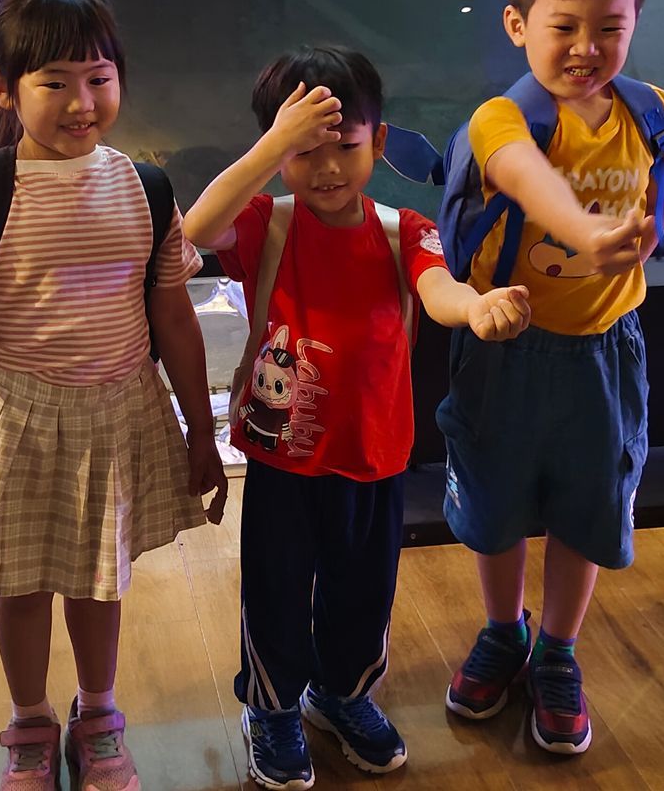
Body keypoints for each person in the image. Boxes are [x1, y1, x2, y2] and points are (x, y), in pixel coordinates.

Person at [0, 0, 227, 791]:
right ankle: (31, 722)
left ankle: (98, 715)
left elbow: (174, 316)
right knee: (25, 584)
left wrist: (201, 430)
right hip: (19, 416)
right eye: (55, 83)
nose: (82, 103)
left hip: (117, 409)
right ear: (3, 86)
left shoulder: (145, 187)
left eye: (98, 79)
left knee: (101, 584)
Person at [183, 45, 532, 790]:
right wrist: (271, 146)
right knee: (275, 587)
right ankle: (273, 708)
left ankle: (341, 695)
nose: (327, 168)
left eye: (344, 145)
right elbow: (196, 229)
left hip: (374, 453)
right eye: (303, 151)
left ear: (379, 141)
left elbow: (439, 289)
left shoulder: (404, 229)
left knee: (363, 590)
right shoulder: (267, 223)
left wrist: (478, 308)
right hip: (281, 456)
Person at [438, 0, 664, 754]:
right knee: (496, 501)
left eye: (609, 28)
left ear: (635, 23)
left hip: (604, 352)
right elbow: (523, 177)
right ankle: (502, 630)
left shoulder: (653, 112)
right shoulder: (500, 118)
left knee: (590, 505)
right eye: (565, 27)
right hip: (504, 351)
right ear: (518, 24)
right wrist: (587, 233)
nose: (587, 48)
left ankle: (556, 651)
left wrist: (644, 239)